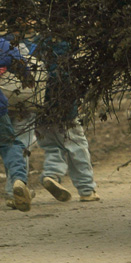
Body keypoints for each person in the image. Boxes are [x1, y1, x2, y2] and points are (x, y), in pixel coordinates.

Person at [27, 36, 100, 203]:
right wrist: (78, 97)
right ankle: (87, 190)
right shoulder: (64, 46)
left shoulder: (34, 45)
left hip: (38, 108)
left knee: (52, 146)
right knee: (77, 147)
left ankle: (51, 175)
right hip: (64, 108)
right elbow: (67, 79)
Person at [0, 34, 35, 212]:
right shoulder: (3, 45)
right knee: (10, 145)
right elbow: (22, 67)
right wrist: (27, 79)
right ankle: (19, 181)